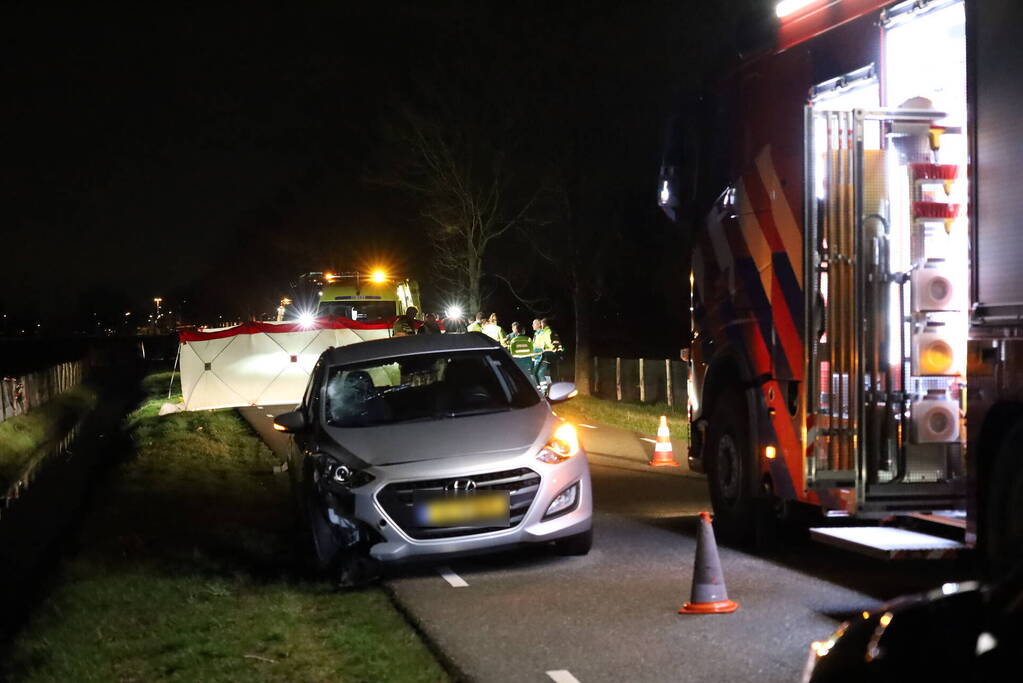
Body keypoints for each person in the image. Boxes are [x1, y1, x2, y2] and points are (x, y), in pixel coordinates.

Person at [531, 317, 555, 390]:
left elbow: (547, 343)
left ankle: (544, 391)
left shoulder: (543, 333)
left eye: (534, 324)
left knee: (540, 373)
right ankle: (540, 389)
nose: (532, 325)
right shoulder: (536, 333)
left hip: (542, 356)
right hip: (536, 356)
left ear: (539, 325)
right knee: (535, 373)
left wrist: (551, 349)